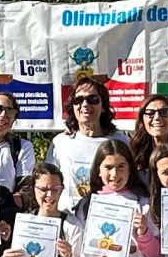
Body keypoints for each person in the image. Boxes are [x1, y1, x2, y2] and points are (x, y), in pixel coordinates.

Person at [70, 139, 156, 257]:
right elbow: (77, 255)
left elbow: (157, 256)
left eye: (121, 166)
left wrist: (144, 233)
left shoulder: (143, 202)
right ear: (98, 170)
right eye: (108, 167)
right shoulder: (87, 205)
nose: (115, 174)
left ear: (130, 168)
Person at [0, 163, 79, 257]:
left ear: (62, 189)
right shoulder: (22, 223)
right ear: (33, 189)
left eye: (55, 189)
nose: (49, 195)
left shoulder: (72, 224)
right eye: (43, 189)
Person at [49, 81, 118, 210]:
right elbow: (50, 184)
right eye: (78, 100)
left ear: (103, 106)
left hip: (108, 217)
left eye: (93, 99)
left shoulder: (121, 142)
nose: (85, 105)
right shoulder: (60, 142)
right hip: (70, 223)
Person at [127, 92, 168, 195]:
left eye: (164, 112)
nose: (157, 117)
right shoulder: (132, 158)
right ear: (142, 119)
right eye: (150, 113)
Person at [0, 90, 35, 189]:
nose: (3, 115)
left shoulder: (22, 147)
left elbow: (25, 187)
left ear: (14, 119)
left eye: (9, 110)